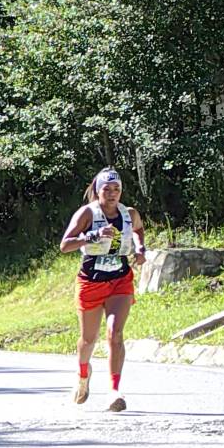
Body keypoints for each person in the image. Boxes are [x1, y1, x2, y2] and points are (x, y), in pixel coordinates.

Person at [60, 167, 146, 412]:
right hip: (91, 280)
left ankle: (114, 391)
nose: (112, 194)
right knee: (88, 340)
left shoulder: (129, 213)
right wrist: (93, 235)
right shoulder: (87, 213)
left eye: (116, 189)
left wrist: (140, 249)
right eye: (106, 189)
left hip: (120, 279)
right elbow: (65, 245)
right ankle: (83, 375)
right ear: (97, 191)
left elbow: (138, 230)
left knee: (114, 334)